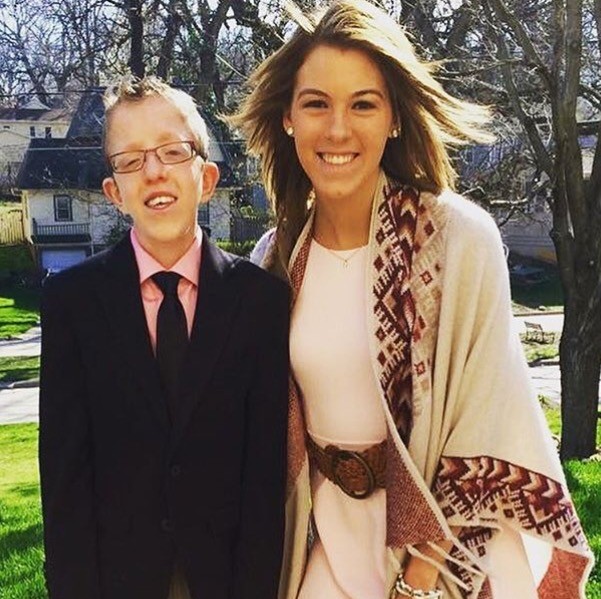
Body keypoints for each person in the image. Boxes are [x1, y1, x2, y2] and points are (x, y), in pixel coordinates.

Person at [230, 1, 594, 597]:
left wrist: (422, 578)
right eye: (316, 103)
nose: (338, 129)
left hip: (447, 547)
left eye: (363, 104)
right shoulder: (275, 257)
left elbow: (485, 416)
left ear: (395, 118)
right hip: (330, 536)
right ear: (288, 118)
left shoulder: (456, 238)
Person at [39, 76, 289, 599]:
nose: (153, 171)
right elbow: (64, 476)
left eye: (173, 151)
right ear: (114, 192)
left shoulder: (260, 301)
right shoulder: (73, 303)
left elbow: (265, 476)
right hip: (116, 581)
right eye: (130, 160)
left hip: (227, 579)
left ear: (207, 177)